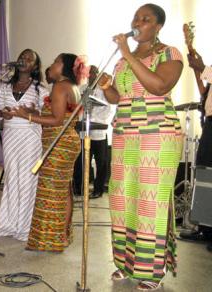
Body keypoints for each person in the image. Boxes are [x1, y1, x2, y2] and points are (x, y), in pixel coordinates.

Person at [99, 4, 183, 290]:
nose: (137, 22)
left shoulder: (169, 53)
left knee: (150, 204)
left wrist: (125, 54)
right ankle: (125, 262)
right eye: (136, 17)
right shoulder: (124, 60)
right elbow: (117, 97)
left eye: (145, 18)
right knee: (121, 200)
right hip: (125, 133)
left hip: (157, 135)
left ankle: (150, 272)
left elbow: (158, 86)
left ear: (158, 26)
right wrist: (105, 85)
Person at [11, 53, 86, 252]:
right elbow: (58, 115)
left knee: (52, 191)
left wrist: (26, 116)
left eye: (55, 62)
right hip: (65, 142)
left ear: (65, 67)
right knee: (63, 190)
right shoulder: (71, 86)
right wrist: (32, 113)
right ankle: (60, 236)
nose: (51, 65)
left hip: (59, 144)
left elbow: (57, 120)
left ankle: (50, 240)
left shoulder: (60, 86)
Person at [0, 49, 48, 241]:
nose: (24, 60)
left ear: (35, 66)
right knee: (11, 178)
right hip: (10, 135)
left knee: (27, 180)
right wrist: (4, 113)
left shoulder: (40, 89)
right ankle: (8, 224)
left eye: (29, 59)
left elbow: (47, 115)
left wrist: (31, 112)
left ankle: (25, 227)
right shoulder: (4, 86)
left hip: (30, 136)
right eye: (22, 57)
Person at [178, 50, 212, 252]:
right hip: (210, 121)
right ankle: (205, 227)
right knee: (206, 173)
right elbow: (204, 93)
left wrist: (200, 67)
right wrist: (196, 70)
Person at [73, 65, 116, 199]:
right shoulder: (81, 89)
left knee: (101, 162)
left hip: (98, 131)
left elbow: (108, 109)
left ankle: (98, 189)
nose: (93, 75)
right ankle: (79, 188)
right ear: (87, 75)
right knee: (80, 162)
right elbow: (75, 107)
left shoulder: (104, 90)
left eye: (95, 72)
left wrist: (95, 120)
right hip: (83, 131)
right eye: (90, 73)